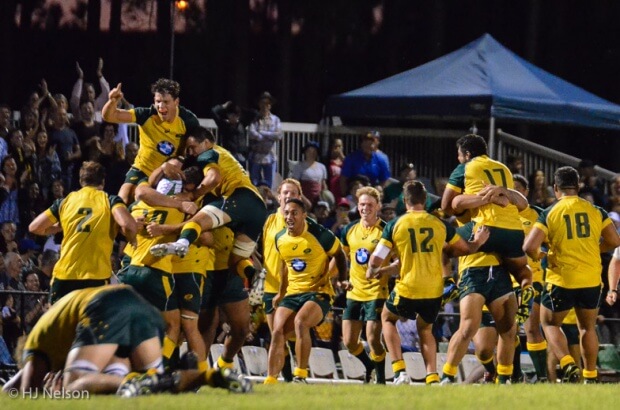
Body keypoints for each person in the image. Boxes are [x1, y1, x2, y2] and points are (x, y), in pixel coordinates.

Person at [1, 285, 251, 395]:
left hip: (107, 306)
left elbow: (22, 393)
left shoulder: (36, 348)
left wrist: (54, 394)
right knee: (159, 385)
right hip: (140, 307)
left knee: (72, 383)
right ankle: (208, 376)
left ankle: (136, 381)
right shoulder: (65, 334)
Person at [367, 181, 490, 385]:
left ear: (405, 201)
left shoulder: (396, 224)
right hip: (434, 290)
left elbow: (376, 259)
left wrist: (372, 271)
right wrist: (478, 240)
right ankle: (432, 376)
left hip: (408, 287)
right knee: (425, 329)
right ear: (425, 200)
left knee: (387, 319)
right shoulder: (439, 224)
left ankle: (399, 371)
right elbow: (465, 249)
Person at [523, 166, 620, 383]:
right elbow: (614, 241)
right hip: (591, 279)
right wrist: (595, 250)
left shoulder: (550, 213)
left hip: (562, 279)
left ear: (556, 188)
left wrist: (541, 255)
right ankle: (591, 375)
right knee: (587, 328)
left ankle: (567, 362)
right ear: (577, 187)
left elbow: (529, 247)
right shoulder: (596, 211)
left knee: (549, 324)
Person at [149, 127, 267, 278]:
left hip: (240, 196)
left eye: (192, 147)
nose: (191, 152)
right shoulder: (223, 154)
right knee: (237, 261)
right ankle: (255, 276)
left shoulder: (208, 154)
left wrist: (191, 195)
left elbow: (214, 177)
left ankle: (182, 243)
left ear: (205, 142)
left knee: (197, 222)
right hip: (258, 208)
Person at [119, 160, 203, 370]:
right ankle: (158, 370)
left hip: (128, 269)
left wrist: (163, 166)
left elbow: (141, 192)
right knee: (174, 326)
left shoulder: (141, 205)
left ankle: (120, 369)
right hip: (156, 272)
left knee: (127, 323)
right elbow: (204, 232)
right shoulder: (185, 208)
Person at [440, 134, 533, 310]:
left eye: (459, 155)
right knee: (520, 269)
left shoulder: (465, 168)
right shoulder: (504, 168)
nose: (459, 158)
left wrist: (474, 201)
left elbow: (446, 206)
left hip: (486, 227)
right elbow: (519, 201)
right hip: (514, 231)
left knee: (443, 246)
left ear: (467, 154)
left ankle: (448, 284)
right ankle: (526, 288)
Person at [264, 198, 348, 384]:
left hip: (318, 293)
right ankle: (270, 380)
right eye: (286, 212)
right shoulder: (280, 238)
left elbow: (340, 254)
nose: (289, 216)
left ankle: (300, 375)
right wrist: (281, 292)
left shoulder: (319, 234)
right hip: (293, 293)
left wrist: (340, 278)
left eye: (294, 212)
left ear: (304, 215)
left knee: (300, 322)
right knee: (277, 331)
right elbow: (285, 266)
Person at [29, 161, 138, 304]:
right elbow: (128, 225)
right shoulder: (110, 200)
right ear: (103, 182)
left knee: (59, 324)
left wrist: (58, 227)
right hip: (96, 277)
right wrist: (132, 240)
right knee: (93, 324)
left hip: (65, 275)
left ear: (81, 181)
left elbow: (34, 227)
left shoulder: (65, 202)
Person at [102, 78, 200, 204]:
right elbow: (109, 116)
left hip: (168, 174)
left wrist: (180, 160)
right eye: (158, 101)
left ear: (176, 102)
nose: (161, 106)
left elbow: (196, 148)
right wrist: (112, 101)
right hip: (143, 169)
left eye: (166, 102)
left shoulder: (188, 120)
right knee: (123, 199)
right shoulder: (145, 114)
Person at [340, 186, 389, 383]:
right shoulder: (349, 230)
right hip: (354, 292)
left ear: (378, 206)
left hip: (377, 292)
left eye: (369, 204)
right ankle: (369, 366)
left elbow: (399, 260)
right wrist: (339, 278)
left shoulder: (386, 230)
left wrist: (384, 271)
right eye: (361, 204)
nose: (365, 208)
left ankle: (382, 380)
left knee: (372, 338)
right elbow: (341, 257)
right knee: (350, 342)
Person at [260, 178, 305, 381]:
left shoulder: (304, 223)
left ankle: (300, 373)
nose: (288, 196)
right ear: (279, 196)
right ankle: (288, 379)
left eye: (293, 193)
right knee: (276, 336)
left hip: (294, 288)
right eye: (285, 192)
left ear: (299, 197)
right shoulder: (269, 220)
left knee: (288, 334)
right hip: (271, 286)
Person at [513, 174, 548, 381]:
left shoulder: (538, 215)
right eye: (510, 189)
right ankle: (514, 375)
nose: (513, 193)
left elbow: (552, 242)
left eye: (517, 189)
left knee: (532, 329)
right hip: (506, 280)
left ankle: (542, 376)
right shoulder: (501, 214)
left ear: (526, 192)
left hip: (533, 278)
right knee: (509, 332)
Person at [248, 91, 282, 190]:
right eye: (262, 103)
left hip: (270, 156)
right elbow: (251, 133)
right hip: (256, 156)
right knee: (254, 184)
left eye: (267, 104)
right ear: (259, 104)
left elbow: (279, 135)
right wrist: (269, 136)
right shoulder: (254, 119)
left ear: (270, 105)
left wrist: (262, 133)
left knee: (270, 185)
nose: (264, 106)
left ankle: (269, 204)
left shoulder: (276, 119)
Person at [211, 101, 256, 166]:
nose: (234, 117)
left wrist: (241, 108)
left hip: (241, 156)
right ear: (228, 115)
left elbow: (254, 113)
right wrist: (223, 106)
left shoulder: (242, 124)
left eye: (236, 115)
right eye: (231, 115)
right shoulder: (224, 125)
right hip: (229, 155)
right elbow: (213, 112)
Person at [290, 141, 328, 206]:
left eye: (314, 151)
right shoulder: (299, 166)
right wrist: (305, 200)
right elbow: (294, 185)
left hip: (318, 201)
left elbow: (323, 185)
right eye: (309, 151)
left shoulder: (322, 167)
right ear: (305, 152)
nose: (312, 153)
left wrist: (325, 197)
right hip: (303, 200)